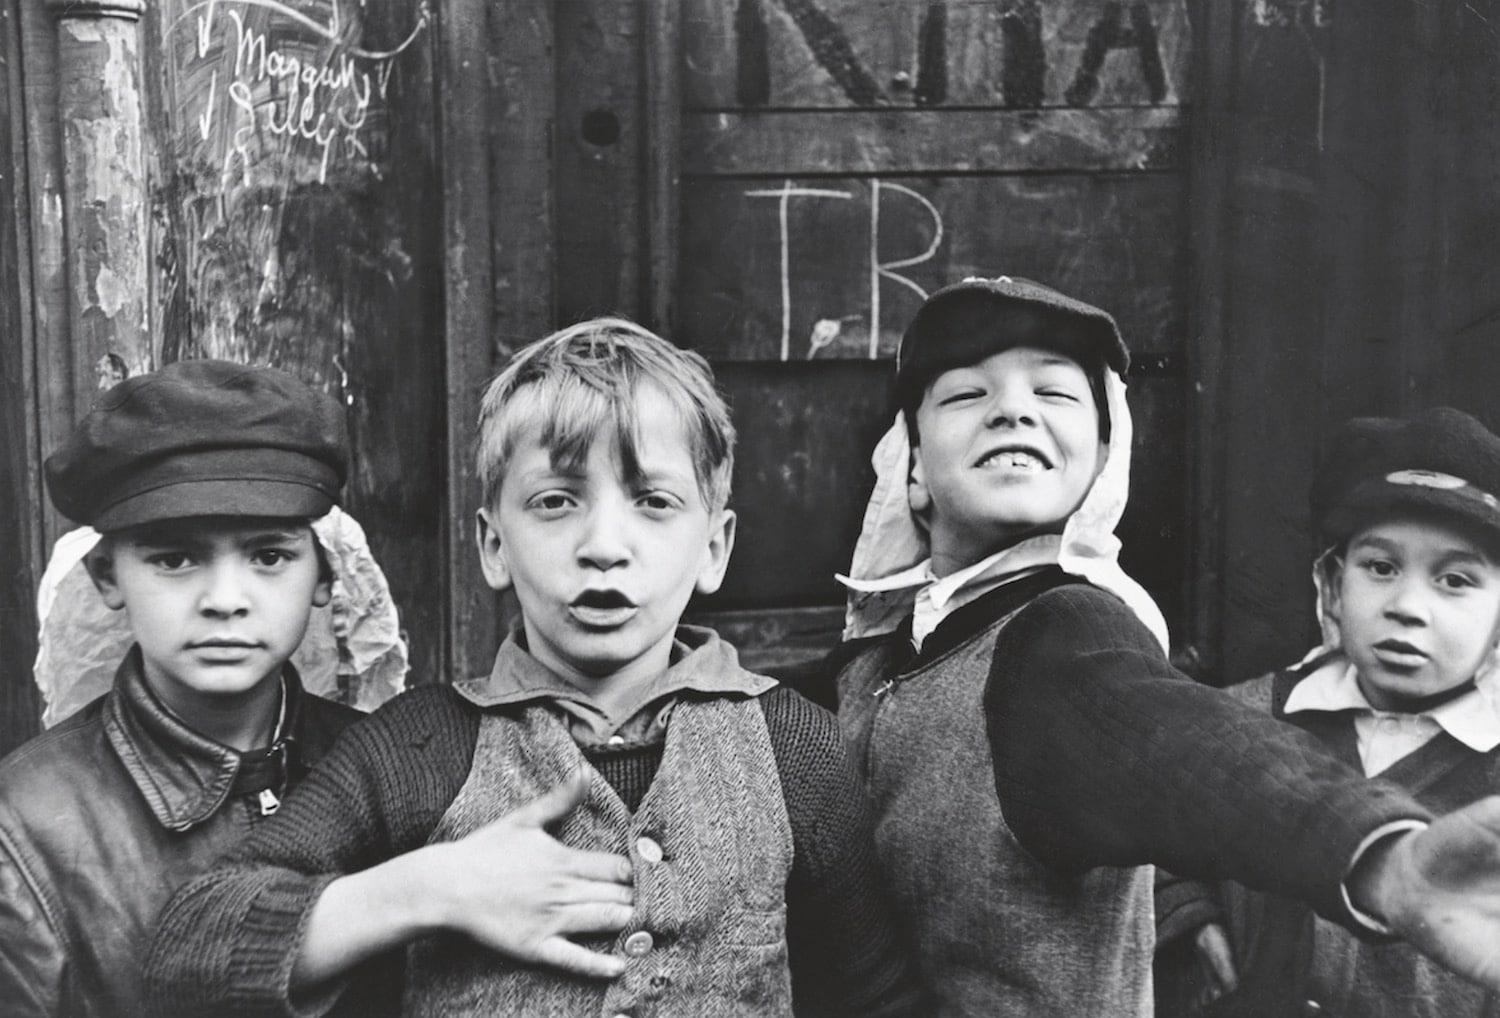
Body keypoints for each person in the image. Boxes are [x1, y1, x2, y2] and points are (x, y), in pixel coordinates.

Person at [145, 317, 923, 1018]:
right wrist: (426, 890)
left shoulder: (796, 750)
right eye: (556, 502)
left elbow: (876, 997)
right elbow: (188, 948)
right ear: (493, 544)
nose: (604, 545)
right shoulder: (419, 749)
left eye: (653, 502)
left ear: (714, 548)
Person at [827, 275, 1500, 1017]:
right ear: (912, 467)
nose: (1012, 408)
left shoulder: (1062, 635)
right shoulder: (882, 655)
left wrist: (1381, 858)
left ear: (1103, 458)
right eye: (964, 395)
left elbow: (1199, 752)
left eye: (1054, 394)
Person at [0, 360, 373, 1017]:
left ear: (323, 575)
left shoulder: (386, 765)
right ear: (108, 576)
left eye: (268, 555)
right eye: (174, 558)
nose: (225, 601)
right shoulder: (24, 824)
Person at [1155, 407, 1500, 1018]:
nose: (1408, 607)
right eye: (1381, 567)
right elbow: (1157, 831)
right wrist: (1188, 918)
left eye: (1454, 580)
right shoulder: (1244, 717)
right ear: (1334, 586)